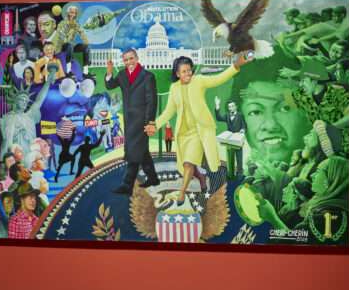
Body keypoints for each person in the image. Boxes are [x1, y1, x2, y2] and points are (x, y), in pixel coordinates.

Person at [149, 53, 252, 201]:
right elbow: (168, 112)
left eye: (189, 70)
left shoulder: (199, 81)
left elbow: (218, 79)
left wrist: (235, 66)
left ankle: (181, 193)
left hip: (200, 130)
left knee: (188, 163)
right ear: (177, 74)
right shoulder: (174, 88)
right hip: (183, 133)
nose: (188, 74)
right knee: (189, 164)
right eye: (184, 71)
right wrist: (156, 124)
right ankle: (202, 179)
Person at [105, 48, 160, 195]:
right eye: (126, 60)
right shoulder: (122, 75)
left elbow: (151, 101)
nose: (129, 62)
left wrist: (150, 122)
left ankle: (127, 185)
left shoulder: (148, 76)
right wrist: (109, 72)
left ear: (137, 58)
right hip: (129, 120)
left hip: (142, 120)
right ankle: (153, 178)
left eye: (131, 58)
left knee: (134, 151)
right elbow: (110, 85)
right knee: (141, 151)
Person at [51, 4, 90, 73]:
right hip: (60, 46)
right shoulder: (62, 23)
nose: (73, 15)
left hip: (70, 46)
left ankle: (85, 72)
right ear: (68, 13)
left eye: (75, 13)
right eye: (71, 12)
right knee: (69, 45)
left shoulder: (76, 24)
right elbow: (61, 37)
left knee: (85, 48)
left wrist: (86, 43)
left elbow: (82, 33)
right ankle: (68, 71)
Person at [214, 96, 246, 175]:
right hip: (229, 141)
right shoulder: (227, 115)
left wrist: (243, 130)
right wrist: (217, 106)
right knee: (230, 158)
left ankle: (240, 173)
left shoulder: (240, 115)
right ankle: (230, 173)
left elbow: (244, 125)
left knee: (239, 158)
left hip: (238, 140)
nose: (231, 108)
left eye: (232, 106)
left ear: (236, 107)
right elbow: (218, 118)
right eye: (229, 107)